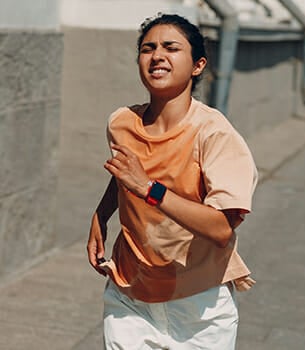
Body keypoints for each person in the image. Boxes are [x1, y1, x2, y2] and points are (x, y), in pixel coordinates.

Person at [87, 13, 258, 350]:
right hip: (130, 293)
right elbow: (126, 175)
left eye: (171, 47)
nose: (157, 56)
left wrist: (150, 190)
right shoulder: (122, 122)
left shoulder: (214, 132)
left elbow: (221, 228)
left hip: (200, 304)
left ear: (197, 65)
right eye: (148, 48)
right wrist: (101, 214)